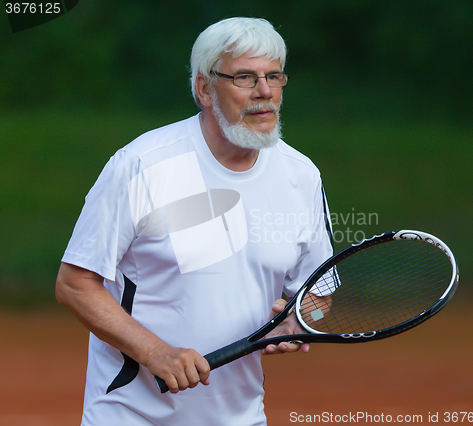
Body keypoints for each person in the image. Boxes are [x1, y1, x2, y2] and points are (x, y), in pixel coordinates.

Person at [56, 17, 334, 426]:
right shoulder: (142, 165)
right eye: (244, 77)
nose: (265, 92)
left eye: (274, 76)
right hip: (130, 416)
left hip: (241, 416)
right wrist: (154, 352)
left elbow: (319, 290)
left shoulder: (301, 175)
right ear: (205, 88)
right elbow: (75, 284)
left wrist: (298, 320)